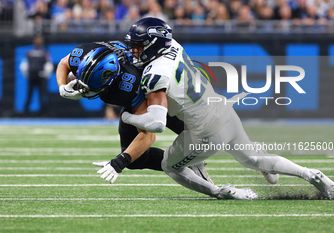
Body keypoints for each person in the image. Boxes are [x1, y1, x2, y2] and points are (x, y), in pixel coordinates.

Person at [101, 17, 334, 199]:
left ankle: (219, 192)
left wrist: (129, 117)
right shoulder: (174, 46)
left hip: (205, 133)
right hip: (223, 111)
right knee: (253, 159)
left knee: (169, 166)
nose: (134, 51)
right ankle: (311, 174)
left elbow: (157, 124)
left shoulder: (155, 75)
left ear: (153, 45)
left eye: (139, 46)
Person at [56, 40, 257, 199]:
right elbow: (64, 63)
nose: (85, 90)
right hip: (141, 90)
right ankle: (190, 164)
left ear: (112, 79)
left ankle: (246, 162)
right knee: (137, 160)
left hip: (160, 93)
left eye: (92, 87)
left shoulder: (129, 85)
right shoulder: (83, 54)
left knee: (198, 135)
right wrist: (62, 87)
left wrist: (120, 161)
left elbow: (148, 134)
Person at [20, 35, 53, 115]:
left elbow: (23, 66)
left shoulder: (30, 53)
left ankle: (26, 112)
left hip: (32, 76)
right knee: (40, 95)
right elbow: (49, 66)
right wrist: (45, 74)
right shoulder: (44, 53)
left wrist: (27, 74)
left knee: (31, 94)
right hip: (39, 76)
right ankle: (42, 113)